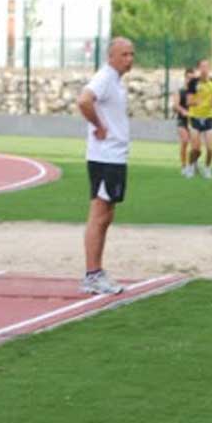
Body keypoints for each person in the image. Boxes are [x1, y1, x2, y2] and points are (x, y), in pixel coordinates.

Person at [76, 37, 135, 295]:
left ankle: (96, 272)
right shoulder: (105, 77)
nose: (129, 59)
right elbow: (84, 100)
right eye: (124, 54)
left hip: (114, 157)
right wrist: (99, 126)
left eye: (131, 54)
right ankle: (92, 274)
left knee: (106, 215)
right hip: (105, 157)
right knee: (99, 215)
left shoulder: (115, 81)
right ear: (111, 56)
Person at [186, 59, 212, 179]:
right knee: (196, 149)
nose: (204, 69)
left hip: (208, 117)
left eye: (206, 66)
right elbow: (188, 101)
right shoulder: (193, 82)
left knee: (210, 148)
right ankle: (190, 166)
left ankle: (207, 168)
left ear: (209, 68)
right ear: (199, 68)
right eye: (202, 67)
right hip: (195, 117)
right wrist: (196, 101)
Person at [176, 67, 195, 177]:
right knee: (185, 140)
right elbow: (176, 105)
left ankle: (192, 165)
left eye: (192, 78)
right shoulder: (180, 91)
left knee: (195, 146)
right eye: (188, 78)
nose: (190, 80)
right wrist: (183, 111)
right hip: (182, 120)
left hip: (193, 121)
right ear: (185, 78)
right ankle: (184, 166)